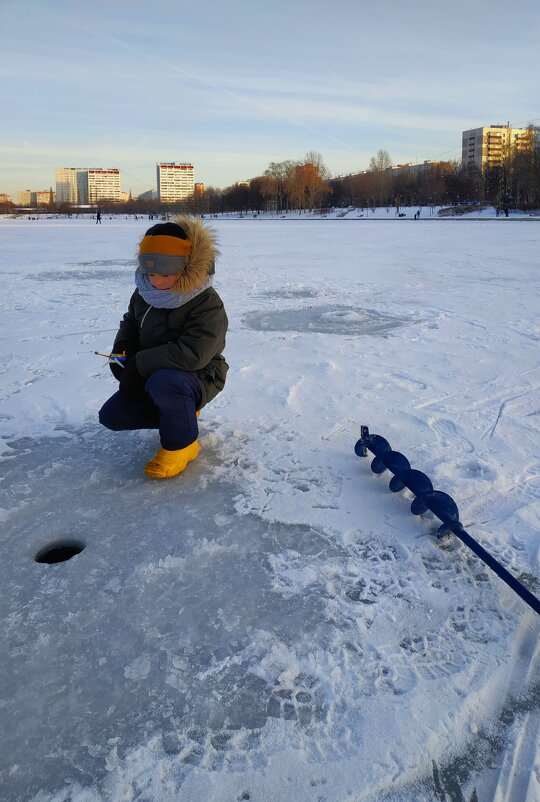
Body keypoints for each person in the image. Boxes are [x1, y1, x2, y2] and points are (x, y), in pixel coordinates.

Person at [98, 216, 228, 478]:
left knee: (167, 383)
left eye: (165, 274)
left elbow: (194, 354)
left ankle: (183, 445)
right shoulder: (144, 293)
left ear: (186, 269)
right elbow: (131, 322)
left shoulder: (206, 303)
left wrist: (139, 364)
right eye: (150, 273)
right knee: (113, 416)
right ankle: (181, 412)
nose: (156, 281)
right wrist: (122, 350)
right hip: (152, 373)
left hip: (199, 374)